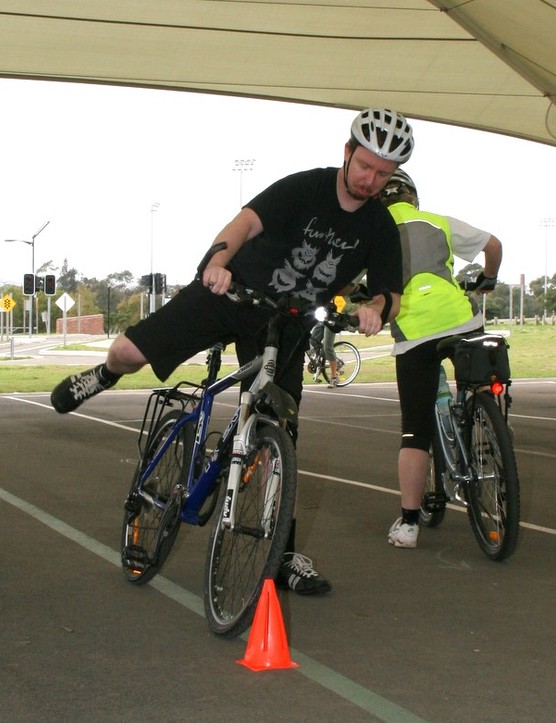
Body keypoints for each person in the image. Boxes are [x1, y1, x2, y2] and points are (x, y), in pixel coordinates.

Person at [51, 107, 415, 592]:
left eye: (382, 173)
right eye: (365, 165)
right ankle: (106, 375)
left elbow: (391, 294)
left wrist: (377, 309)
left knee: (281, 434)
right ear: (347, 153)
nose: (370, 179)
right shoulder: (304, 187)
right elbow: (244, 224)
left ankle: (281, 556)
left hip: (286, 324)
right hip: (232, 293)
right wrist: (218, 260)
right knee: (129, 350)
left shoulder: (379, 228)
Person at [379, 169, 502, 548]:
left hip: (415, 334)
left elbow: (350, 282)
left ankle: (410, 525)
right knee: (483, 381)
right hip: (461, 320)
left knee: (415, 429)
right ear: (414, 197)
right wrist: (487, 280)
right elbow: (493, 245)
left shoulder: (374, 231)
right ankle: (492, 427)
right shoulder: (439, 222)